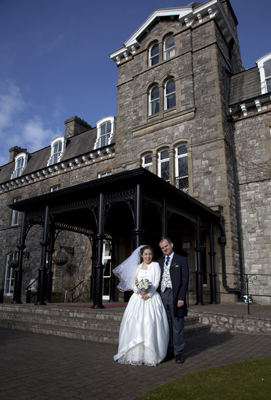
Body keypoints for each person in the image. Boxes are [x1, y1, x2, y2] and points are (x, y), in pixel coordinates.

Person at [113, 245, 169, 366]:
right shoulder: (137, 267)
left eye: (150, 254)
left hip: (151, 298)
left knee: (150, 324)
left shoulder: (155, 266)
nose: (148, 256)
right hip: (138, 298)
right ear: (141, 255)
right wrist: (139, 291)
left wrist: (148, 294)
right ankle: (135, 354)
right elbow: (133, 283)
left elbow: (156, 282)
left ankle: (151, 354)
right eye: (145, 254)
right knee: (136, 324)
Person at [158, 237, 189, 364]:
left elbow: (185, 280)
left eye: (166, 246)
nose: (165, 249)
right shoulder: (159, 262)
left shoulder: (181, 260)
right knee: (166, 324)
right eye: (162, 248)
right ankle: (169, 350)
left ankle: (178, 352)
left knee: (177, 324)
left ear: (171, 244)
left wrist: (181, 297)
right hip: (162, 295)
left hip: (175, 295)